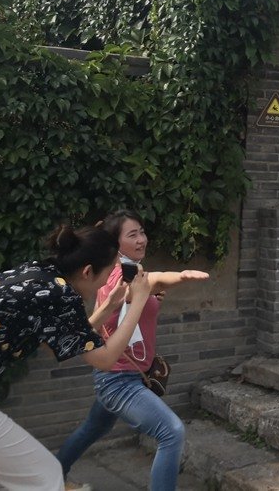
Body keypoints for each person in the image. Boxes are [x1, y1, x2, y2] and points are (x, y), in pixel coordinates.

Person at [0, 224, 151, 491]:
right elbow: (104, 359)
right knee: (45, 476)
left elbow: (64, 340)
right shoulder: (59, 293)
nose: (108, 280)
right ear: (88, 271)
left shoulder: (38, 276)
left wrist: (110, 306)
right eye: (110, 271)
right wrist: (139, 302)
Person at [58, 210, 209, 491]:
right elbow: (155, 280)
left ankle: (52, 478)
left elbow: (149, 286)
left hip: (122, 374)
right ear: (116, 244)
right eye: (132, 234)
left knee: (94, 428)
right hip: (119, 379)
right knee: (171, 432)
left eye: (142, 232)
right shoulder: (119, 277)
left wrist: (154, 294)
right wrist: (180, 276)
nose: (141, 239)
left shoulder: (129, 272)